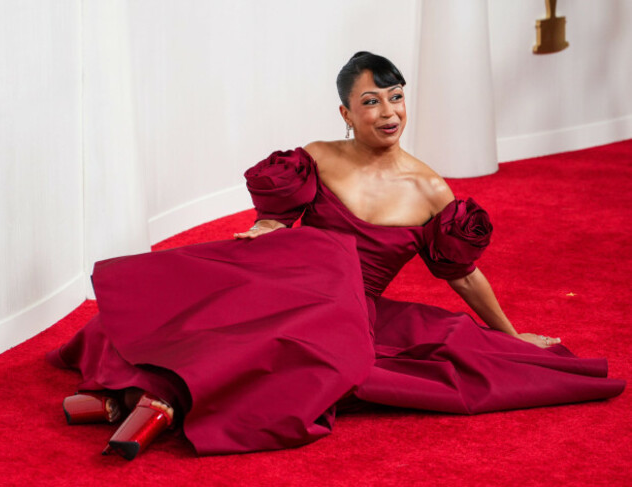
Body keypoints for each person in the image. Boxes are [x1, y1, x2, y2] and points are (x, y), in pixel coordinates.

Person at [48, 52, 625, 461]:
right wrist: (260, 230)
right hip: (290, 273)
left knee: (329, 343)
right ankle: (151, 401)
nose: (388, 111)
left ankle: (145, 401)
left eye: (396, 98)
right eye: (370, 101)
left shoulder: (430, 191)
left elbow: (464, 275)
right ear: (345, 112)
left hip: (348, 307)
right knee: (189, 305)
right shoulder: (316, 157)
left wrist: (512, 333)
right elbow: (277, 221)